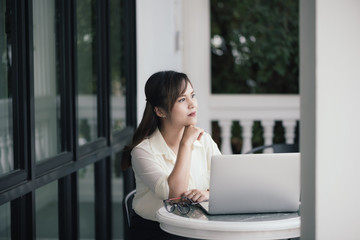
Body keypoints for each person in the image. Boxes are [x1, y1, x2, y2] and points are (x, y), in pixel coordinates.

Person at [122, 71, 221, 239]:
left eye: (192, 95)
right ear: (160, 111)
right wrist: (186, 143)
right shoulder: (142, 151)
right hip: (156, 232)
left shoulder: (204, 141)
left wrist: (208, 194)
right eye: (182, 99)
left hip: (198, 228)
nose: (192, 104)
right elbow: (175, 196)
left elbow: (227, 183)